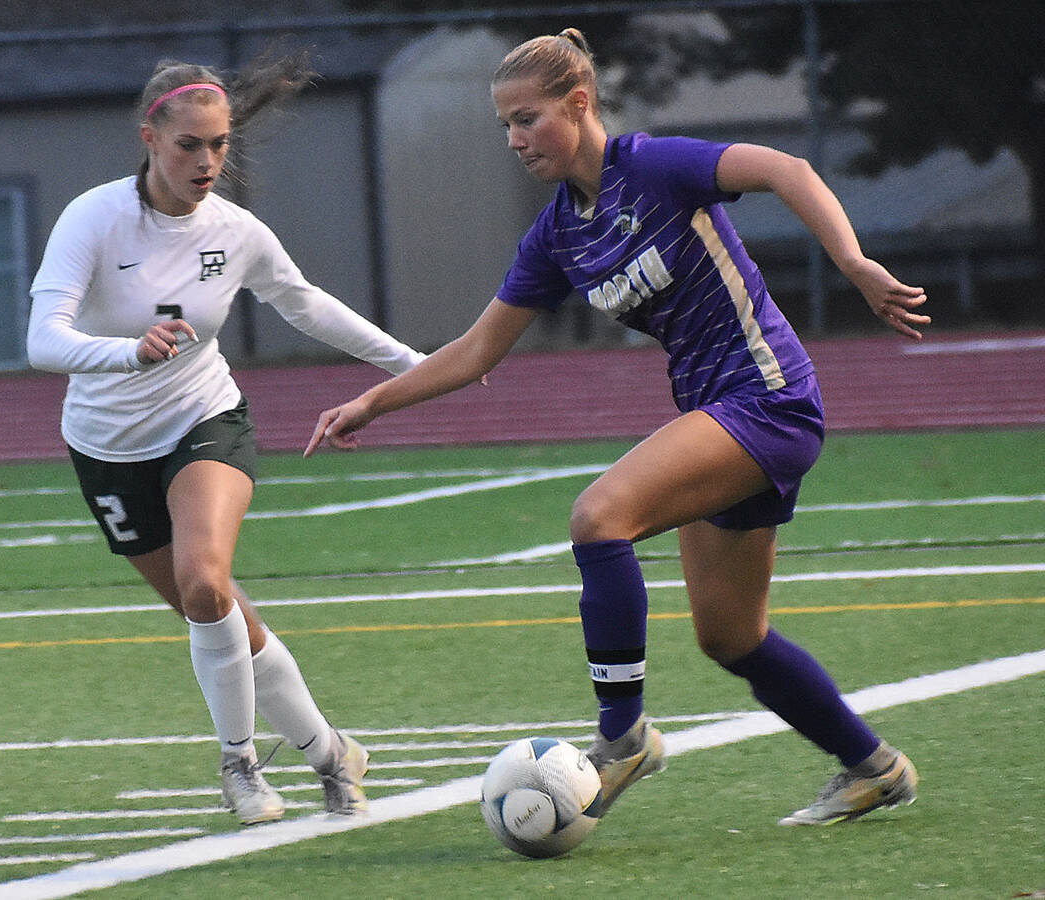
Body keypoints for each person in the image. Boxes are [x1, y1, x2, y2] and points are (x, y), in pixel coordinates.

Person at [306, 28, 930, 827]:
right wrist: (370, 402)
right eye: (504, 125)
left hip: (767, 398)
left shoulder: (654, 167)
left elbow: (787, 168)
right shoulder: (559, 233)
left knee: (599, 517)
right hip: (720, 416)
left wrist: (852, 262)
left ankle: (622, 737)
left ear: (579, 103)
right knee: (731, 637)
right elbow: (474, 351)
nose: (514, 139)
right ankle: (873, 767)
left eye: (527, 118)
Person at [27, 57, 426, 826]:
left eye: (218, 145)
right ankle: (331, 754)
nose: (207, 162)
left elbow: (305, 304)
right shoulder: (94, 218)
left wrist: (418, 365)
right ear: (149, 138)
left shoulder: (235, 232)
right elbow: (43, 340)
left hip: (203, 420)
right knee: (215, 614)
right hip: (105, 447)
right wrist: (126, 350)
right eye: (188, 145)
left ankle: (239, 763)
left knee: (206, 582)